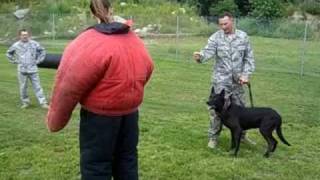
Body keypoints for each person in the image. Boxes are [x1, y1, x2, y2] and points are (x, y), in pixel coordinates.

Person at [46, 0, 154, 179]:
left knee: (96, 166)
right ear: (112, 9)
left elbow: (69, 84)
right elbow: (148, 67)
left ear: (91, 14)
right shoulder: (132, 38)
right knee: (127, 161)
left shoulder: (88, 41)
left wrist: (55, 120)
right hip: (129, 116)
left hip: (99, 119)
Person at [193, 12, 255, 149]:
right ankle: (213, 138)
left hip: (238, 82)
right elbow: (207, 52)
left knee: (242, 111)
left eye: (225, 24)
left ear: (232, 21)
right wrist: (200, 57)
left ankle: (242, 136)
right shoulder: (216, 37)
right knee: (216, 111)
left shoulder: (243, 37)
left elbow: (248, 59)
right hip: (220, 83)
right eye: (220, 24)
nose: (223, 27)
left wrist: (246, 75)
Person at [6, 29, 49, 109]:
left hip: (33, 69)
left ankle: (43, 103)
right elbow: (9, 53)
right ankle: (25, 103)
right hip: (22, 70)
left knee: (38, 86)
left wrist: (38, 60)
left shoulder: (34, 44)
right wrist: (15, 61)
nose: (25, 36)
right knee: (23, 87)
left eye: (26, 35)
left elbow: (42, 51)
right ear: (19, 36)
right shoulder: (16, 45)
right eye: (23, 35)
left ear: (28, 35)